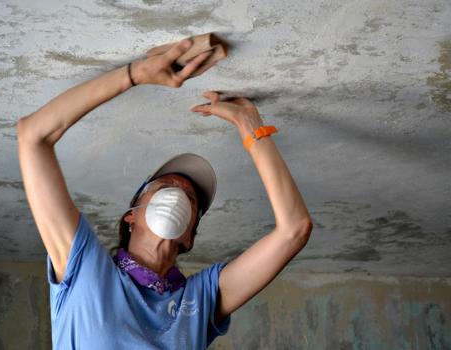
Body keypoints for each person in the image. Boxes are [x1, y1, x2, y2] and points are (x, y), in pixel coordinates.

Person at [17, 38, 313, 349]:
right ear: (131, 214)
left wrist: (250, 124)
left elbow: (294, 230)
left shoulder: (200, 300)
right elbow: (32, 136)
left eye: (190, 198)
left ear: (189, 238)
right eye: (166, 187)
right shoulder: (86, 268)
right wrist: (136, 74)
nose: (180, 192)